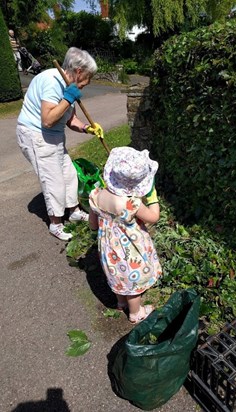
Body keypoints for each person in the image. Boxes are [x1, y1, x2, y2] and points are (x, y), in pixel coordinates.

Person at [16, 47, 104, 241]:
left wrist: (87, 128)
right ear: (79, 71)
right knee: (53, 179)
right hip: (36, 135)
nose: (87, 83)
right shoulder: (52, 81)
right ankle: (55, 223)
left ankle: (73, 211)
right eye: (88, 77)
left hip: (53, 136)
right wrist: (68, 97)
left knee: (69, 174)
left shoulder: (68, 84)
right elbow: (48, 119)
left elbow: (70, 119)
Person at [88, 147, 162, 324]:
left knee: (117, 275)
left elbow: (92, 224)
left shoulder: (96, 194)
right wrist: (152, 197)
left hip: (109, 248)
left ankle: (121, 301)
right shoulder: (131, 203)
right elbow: (154, 217)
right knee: (133, 284)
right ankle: (136, 312)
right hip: (130, 251)